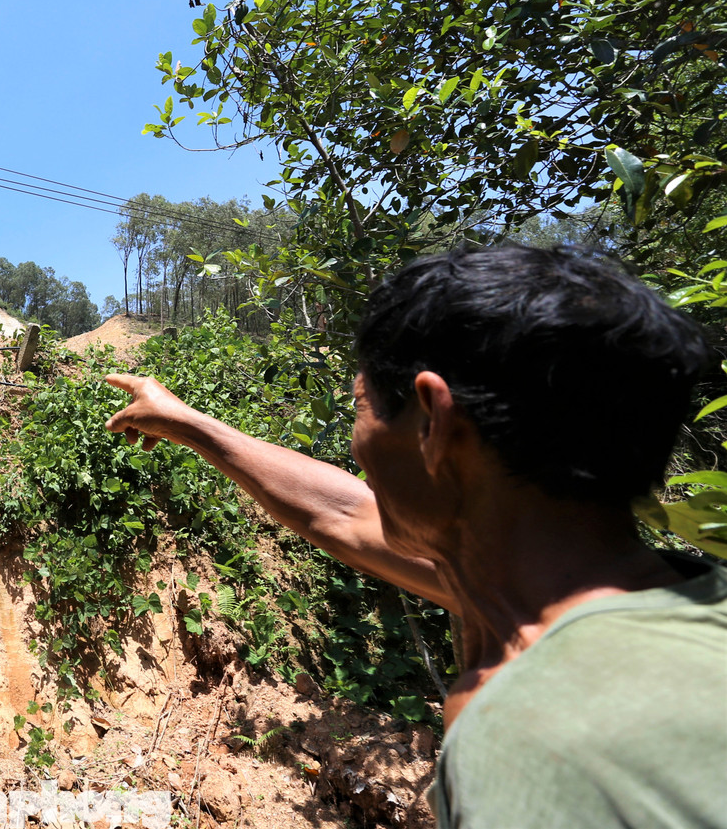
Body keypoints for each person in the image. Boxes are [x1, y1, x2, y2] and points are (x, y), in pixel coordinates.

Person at [104, 245, 727, 828]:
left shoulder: (545, 738)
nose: (358, 445)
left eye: (360, 406)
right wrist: (185, 422)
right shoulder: (574, 592)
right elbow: (344, 514)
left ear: (433, 420)